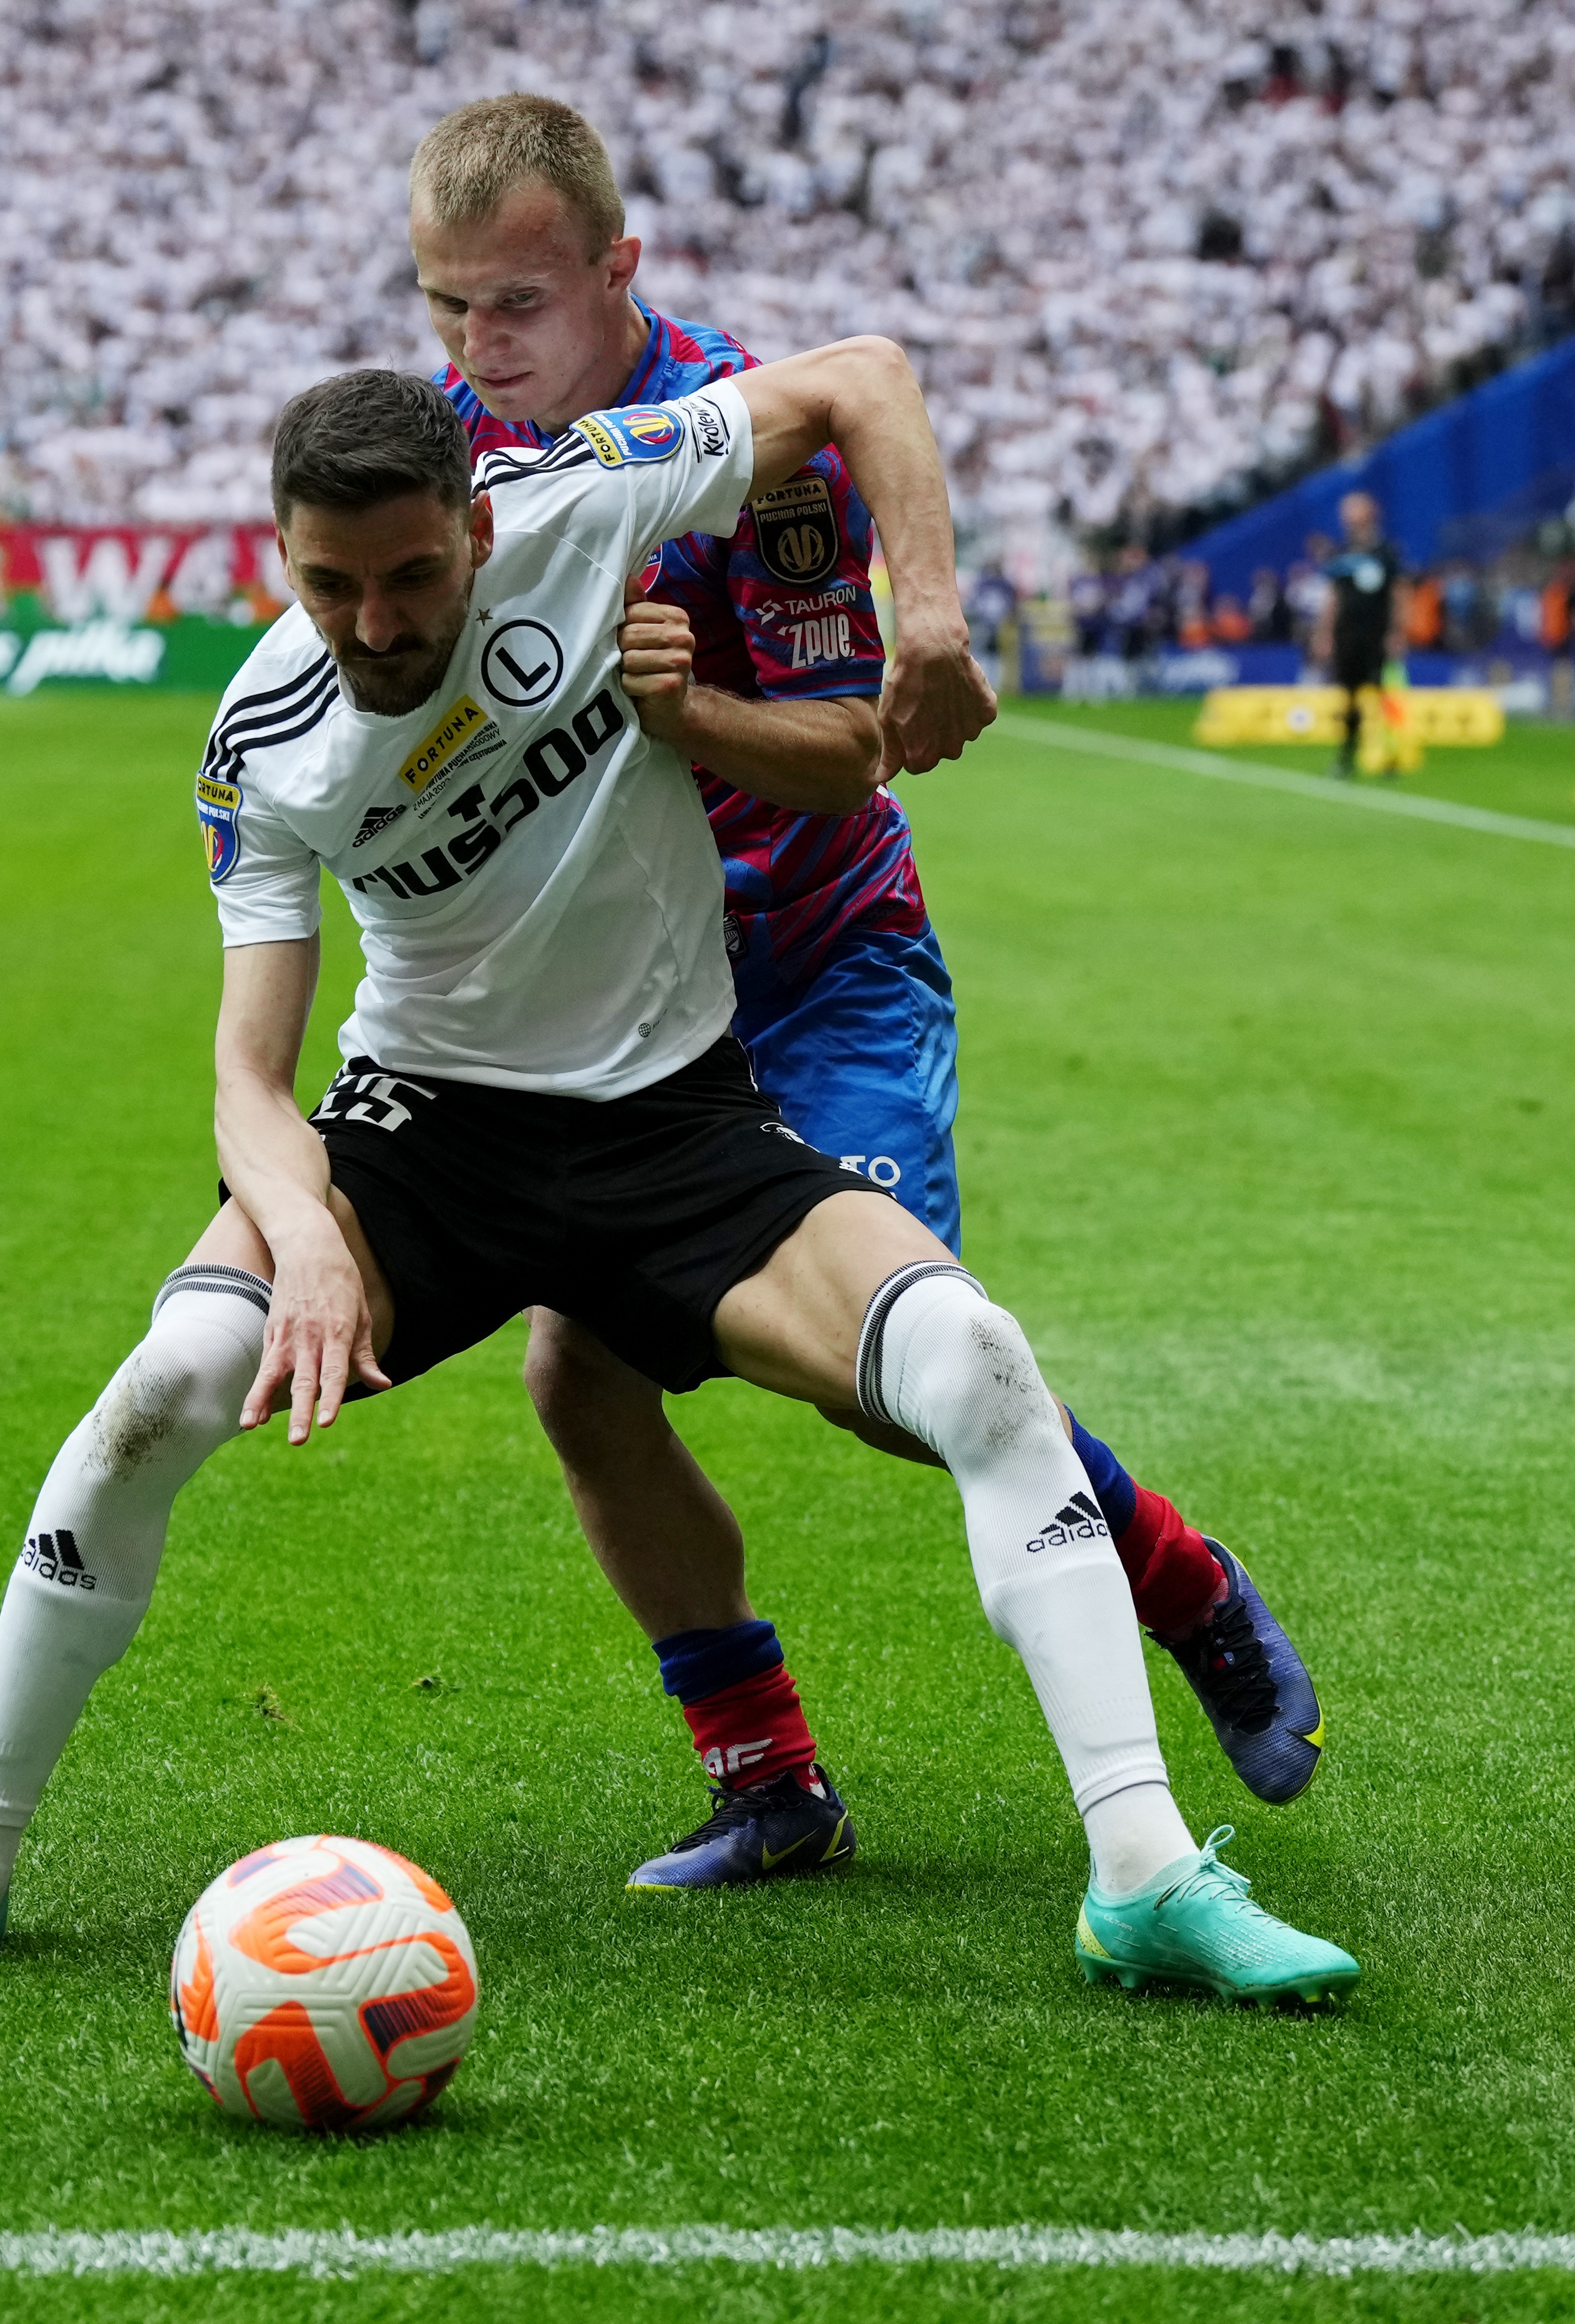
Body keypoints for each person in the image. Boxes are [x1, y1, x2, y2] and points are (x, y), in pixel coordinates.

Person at [0, 343, 1361, 2004]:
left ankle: (1143, 1869)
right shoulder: (261, 733)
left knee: (973, 1359)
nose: (377, 624)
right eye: (330, 586)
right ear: (279, 557)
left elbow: (856, 383)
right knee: (163, 1383)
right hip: (426, 1137)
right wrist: (303, 1230)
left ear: (474, 518)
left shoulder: (584, 497)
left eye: (411, 576)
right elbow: (249, 1072)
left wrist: (927, 607)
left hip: (678, 1124)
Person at [404, 94, 1320, 1890]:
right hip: (630, 1013)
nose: (474, 352)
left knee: (878, 1377)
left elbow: (847, 758)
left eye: (513, 306)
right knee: (580, 1381)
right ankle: (770, 1784)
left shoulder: (754, 444)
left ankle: (1184, 1586)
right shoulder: (449, 452)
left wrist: (690, 716)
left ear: (618, 272)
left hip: (820, 965)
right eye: (443, 308)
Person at [1312, 493, 1401, 776]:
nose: (1347, 515)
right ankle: (1347, 756)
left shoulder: (1386, 552)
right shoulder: (1342, 553)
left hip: (1376, 634)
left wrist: (1397, 631)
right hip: (1346, 635)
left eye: (1353, 509)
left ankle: (1387, 755)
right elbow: (1333, 598)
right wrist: (1324, 634)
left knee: (1381, 694)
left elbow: (1398, 594)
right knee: (1348, 697)